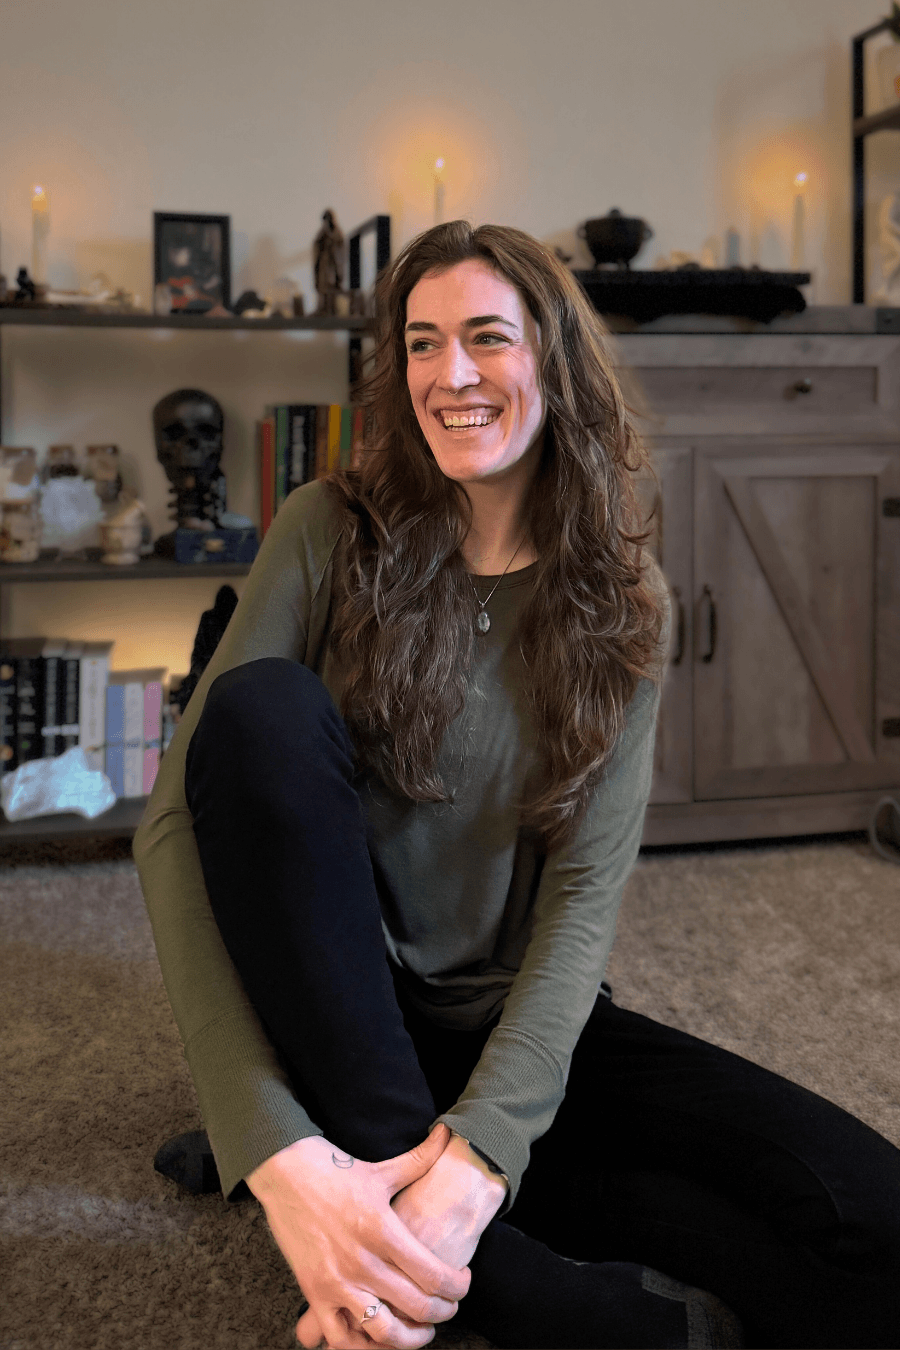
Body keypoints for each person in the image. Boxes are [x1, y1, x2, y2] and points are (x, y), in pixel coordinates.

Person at [133, 220, 900, 1350]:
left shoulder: (624, 601)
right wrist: (272, 1143)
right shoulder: (327, 530)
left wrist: (487, 1146)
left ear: (554, 359)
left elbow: (585, 897)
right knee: (255, 712)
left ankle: (411, 1191)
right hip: (340, 1016)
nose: (450, 375)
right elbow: (171, 831)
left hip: (506, 1022)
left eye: (487, 337)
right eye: (421, 343)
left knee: (870, 1220)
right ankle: (524, 1288)